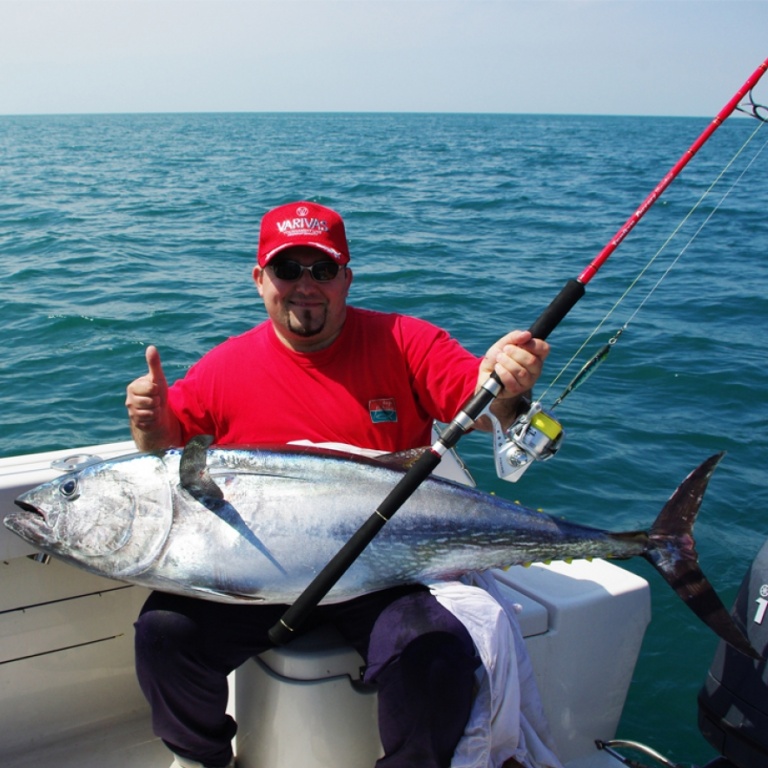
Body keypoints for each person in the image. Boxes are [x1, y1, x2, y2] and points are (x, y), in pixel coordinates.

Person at [126, 201, 550, 768]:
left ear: (347, 278)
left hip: (384, 569)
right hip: (259, 569)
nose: (305, 286)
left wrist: (505, 382)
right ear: (260, 281)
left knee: (435, 653)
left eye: (322, 270)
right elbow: (169, 456)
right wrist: (148, 426)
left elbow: (479, 402)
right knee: (163, 634)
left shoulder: (404, 340)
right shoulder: (223, 368)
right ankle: (204, 759)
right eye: (287, 269)